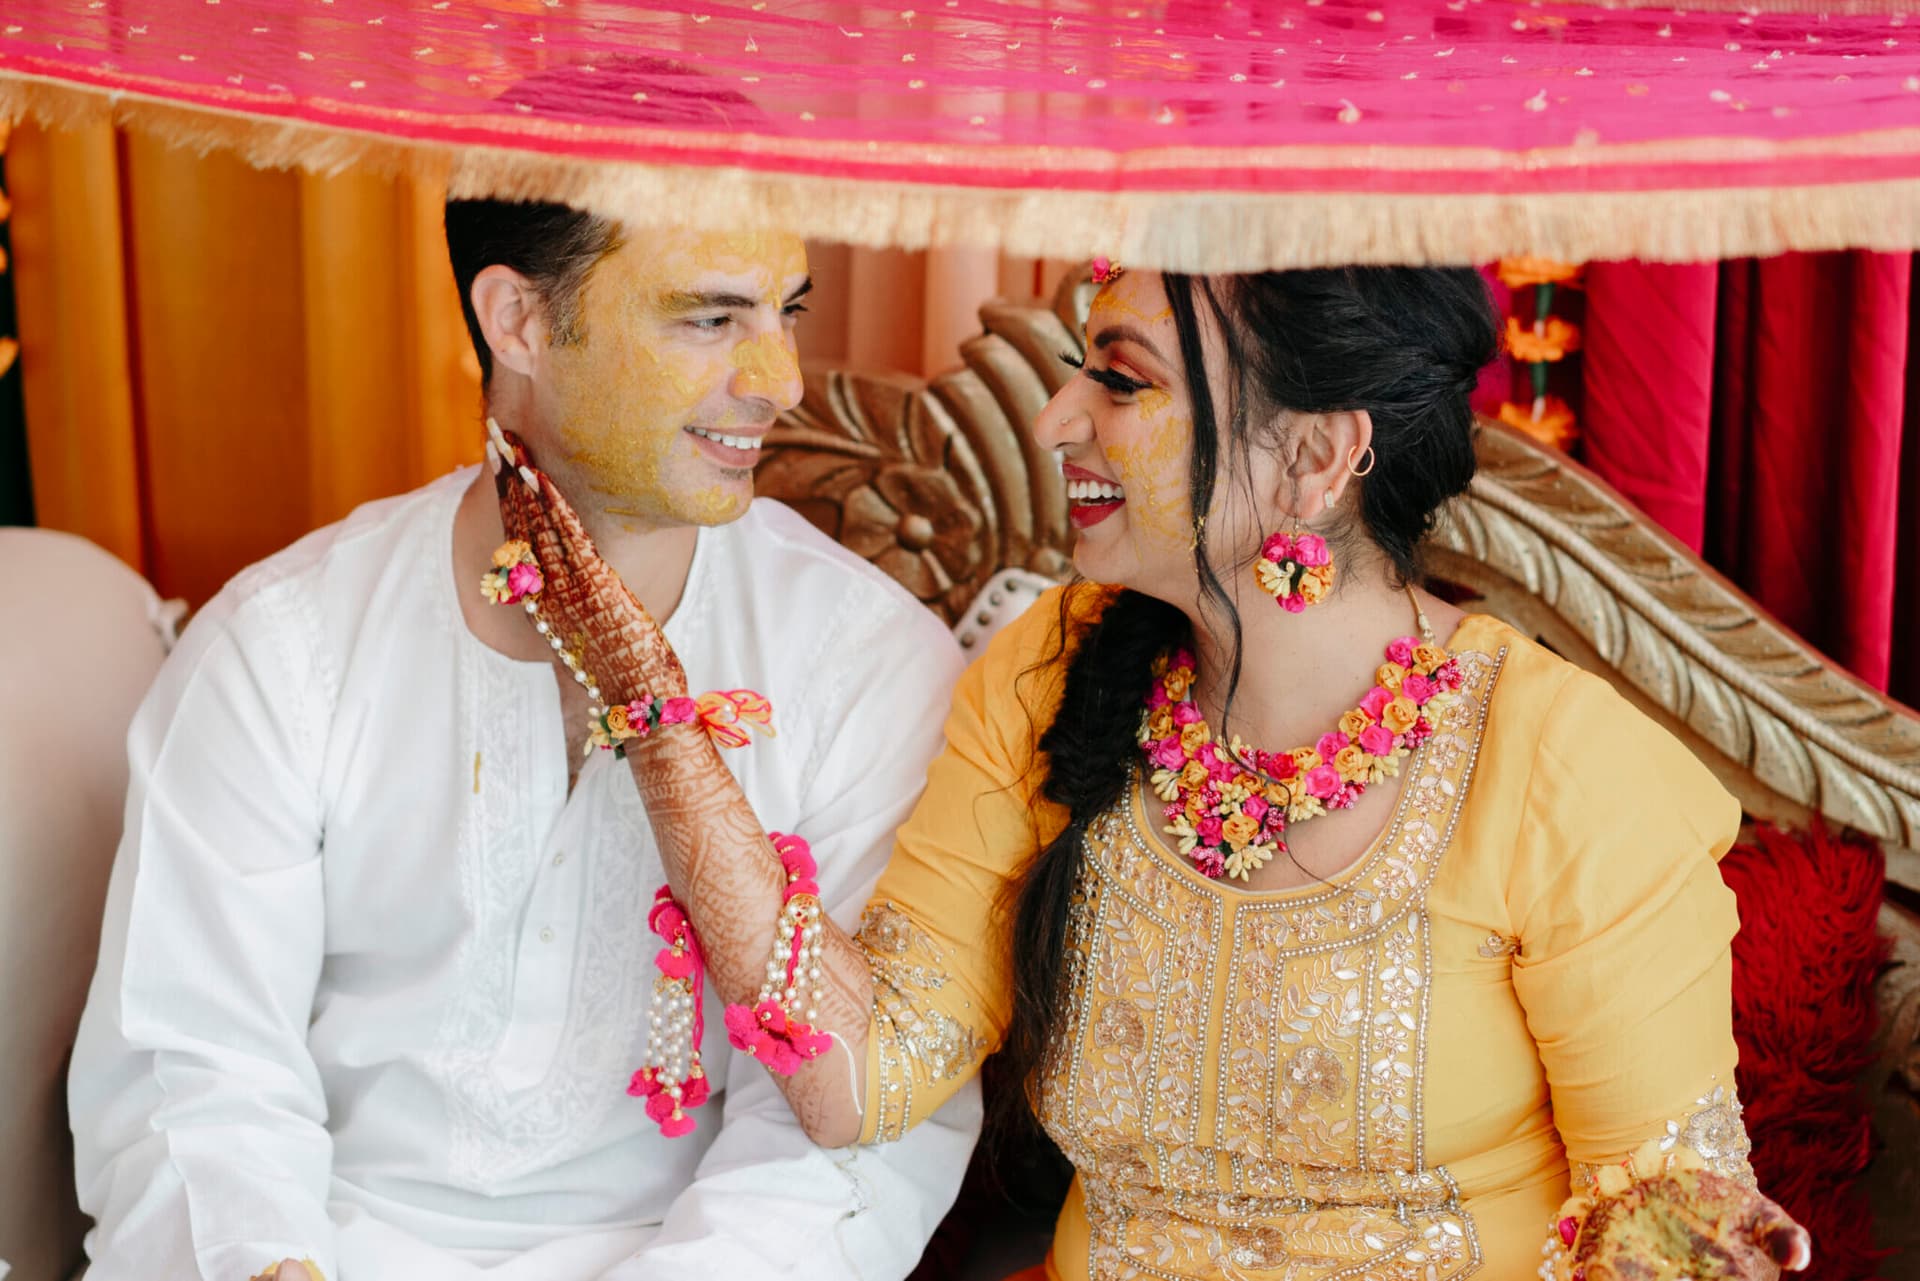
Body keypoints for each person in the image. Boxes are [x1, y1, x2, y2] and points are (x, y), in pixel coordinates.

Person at [518, 261, 1812, 1279]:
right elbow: (859, 1077)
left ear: (1315, 456)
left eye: (1122, 382)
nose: (1057, 413)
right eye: (1083, 367)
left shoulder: (1566, 768)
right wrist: (656, 717)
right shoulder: (1048, 674)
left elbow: (1660, 1226)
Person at [66, 197, 978, 1281]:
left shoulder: (864, 660)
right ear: (519, 323)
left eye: (787, 310)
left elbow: (855, 1147)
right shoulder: (284, 644)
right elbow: (190, 1071)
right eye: (708, 319)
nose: (780, 378)